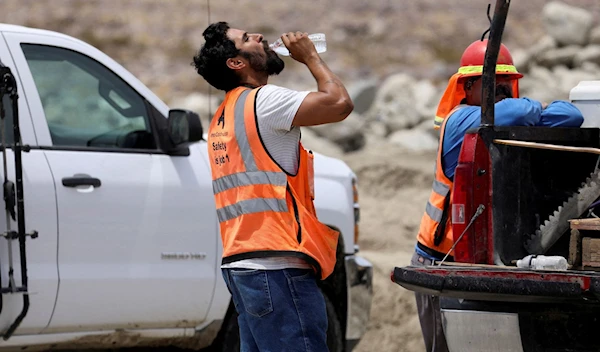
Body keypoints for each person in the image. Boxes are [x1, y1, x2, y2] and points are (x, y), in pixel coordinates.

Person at [412, 39, 583, 352]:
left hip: (483, 256)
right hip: (440, 260)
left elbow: (571, 116)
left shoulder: (508, 122)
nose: (502, 87)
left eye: (507, 81)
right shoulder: (459, 121)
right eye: (492, 81)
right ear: (467, 87)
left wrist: (533, 111)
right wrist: (535, 109)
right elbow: (513, 111)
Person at [192, 22, 353, 352]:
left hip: (243, 268)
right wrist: (310, 58)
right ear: (237, 63)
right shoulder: (262, 101)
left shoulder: (224, 114)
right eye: (248, 39)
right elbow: (339, 103)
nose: (261, 38)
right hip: (277, 271)